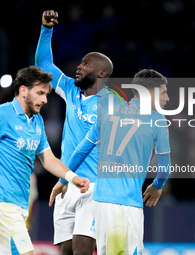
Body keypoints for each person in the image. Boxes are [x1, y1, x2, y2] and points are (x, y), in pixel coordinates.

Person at [0, 66, 90, 255]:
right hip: (2, 204)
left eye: (46, 94)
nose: (45, 100)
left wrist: (73, 178)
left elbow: (48, 159)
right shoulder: (0, 115)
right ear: (23, 90)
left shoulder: (37, 121)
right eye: (40, 93)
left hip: (18, 206)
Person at [50, 69, 171, 255]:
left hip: (100, 202)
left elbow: (81, 150)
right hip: (126, 204)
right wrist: (157, 185)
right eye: (164, 92)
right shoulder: (157, 120)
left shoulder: (107, 112)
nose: (167, 98)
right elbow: (164, 168)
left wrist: (64, 179)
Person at [35, 10, 113, 254]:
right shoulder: (70, 90)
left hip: (94, 186)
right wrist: (46, 30)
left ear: (101, 73)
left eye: (86, 64)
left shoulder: (110, 104)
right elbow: (44, 65)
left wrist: (63, 178)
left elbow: (87, 146)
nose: (79, 67)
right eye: (80, 63)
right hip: (68, 184)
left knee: (82, 250)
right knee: (67, 251)